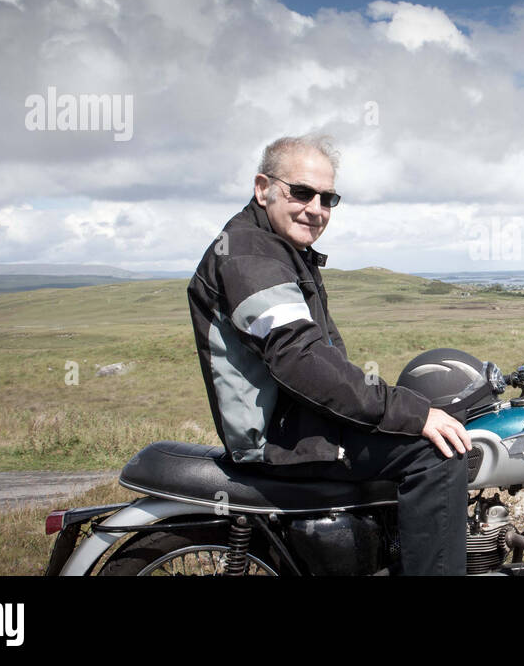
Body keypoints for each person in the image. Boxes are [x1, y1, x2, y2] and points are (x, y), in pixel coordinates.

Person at [186, 134, 470, 575]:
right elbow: (301, 360)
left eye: (328, 198)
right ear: (264, 188)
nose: (316, 208)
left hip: (296, 420)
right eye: (302, 192)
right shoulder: (249, 254)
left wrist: (395, 407)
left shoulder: (282, 250)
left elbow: (323, 358)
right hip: (277, 437)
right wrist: (413, 413)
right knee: (435, 454)